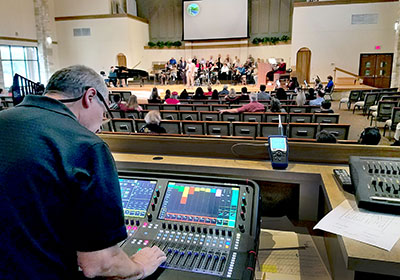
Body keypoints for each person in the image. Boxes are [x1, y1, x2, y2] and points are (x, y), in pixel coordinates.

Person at [0, 65, 166, 279]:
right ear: (90, 96)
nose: (100, 126)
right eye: (104, 111)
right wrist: (140, 266)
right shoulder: (86, 145)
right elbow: (99, 265)